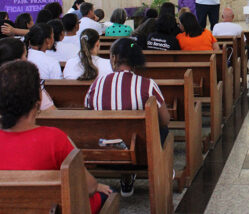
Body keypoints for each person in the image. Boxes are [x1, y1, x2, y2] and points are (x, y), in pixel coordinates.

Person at [0, 60, 112, 213]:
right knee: (108, 194)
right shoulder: (53, 138)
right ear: (38, 99)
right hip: (52, 208)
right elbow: (90, 187)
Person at [84, 38, 170, 197]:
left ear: (114, 58)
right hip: (142, 156)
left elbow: (89, 115)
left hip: (104, 156)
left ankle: (126, 176)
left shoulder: (97, 84)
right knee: (162, 131)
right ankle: (162, 169)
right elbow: (165, 120)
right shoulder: (147, 84)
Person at [0, 38, 56, 111]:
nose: (27, 60)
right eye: (25, 56)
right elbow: (51, 112)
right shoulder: (29, 84)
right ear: (18, 61)